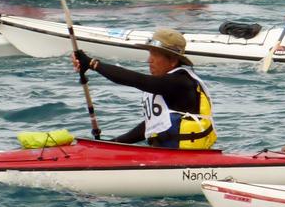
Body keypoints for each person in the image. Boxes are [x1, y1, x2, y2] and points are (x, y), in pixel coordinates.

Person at [70, 29, 217, 149]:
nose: (149, 60)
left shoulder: (181, 82)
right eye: (149, 54)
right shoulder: (166, 84)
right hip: (163, 155)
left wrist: (93, 64)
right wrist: (112, 144)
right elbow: (151, 125)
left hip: (187, 161)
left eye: (155, 55)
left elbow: (137, 80)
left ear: (173, 60)